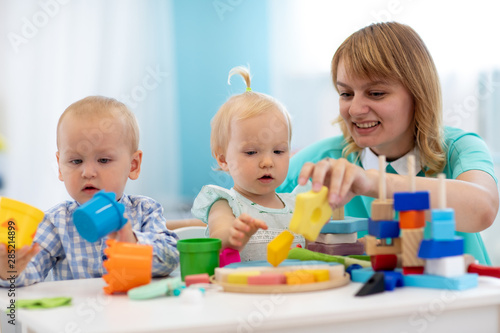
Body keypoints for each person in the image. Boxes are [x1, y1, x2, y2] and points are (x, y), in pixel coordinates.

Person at [278, 22, 499, 265]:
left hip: (464, 300)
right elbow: (244, 205)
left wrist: (371, 181)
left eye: (376, 93)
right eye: (346, 93)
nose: (355, 109)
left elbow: (482, 209)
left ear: (418, 95)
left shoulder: (459, 148)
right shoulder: (318, 161)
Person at [0, 96, 179, 287]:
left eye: (103, 160)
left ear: (133, 165)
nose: (87, 172)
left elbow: (170, 259)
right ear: (60, 167)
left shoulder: (145, 210)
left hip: (135, 312)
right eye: (76, 161)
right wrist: (9, 269)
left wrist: (133, 243)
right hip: (75, 315)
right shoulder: (55, 221)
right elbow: (29, 273)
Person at [191, 67, 305, 261]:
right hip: (243, 289)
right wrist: (233, 235)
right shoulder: (225, 203)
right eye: (251, 152)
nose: (267, 162)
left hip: (295, 287)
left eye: (278, 151)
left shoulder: (297, 206)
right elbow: (219, 236)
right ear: (223, 159)